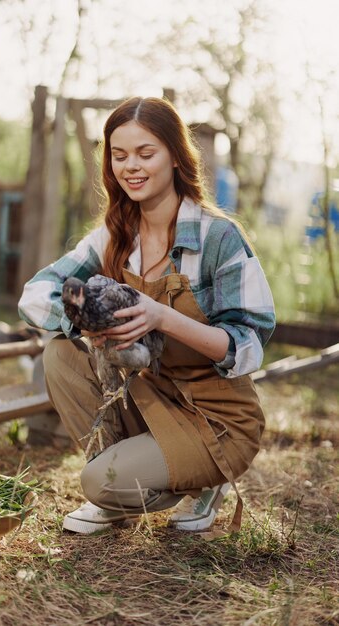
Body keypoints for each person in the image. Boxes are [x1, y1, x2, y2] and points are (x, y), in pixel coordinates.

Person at [18, 96, 275, 535]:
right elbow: (36, 294)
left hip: (213, 418)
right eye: (119, 156)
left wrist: (163, 317)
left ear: (175, 156)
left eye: (145, 153)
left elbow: (248, 347)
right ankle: (115, 490)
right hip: (147, 397)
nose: (130, 166)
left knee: (100, 483)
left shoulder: (218, 238)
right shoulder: (114, 236)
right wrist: (87, 318)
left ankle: (205, 482)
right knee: (61, 352)